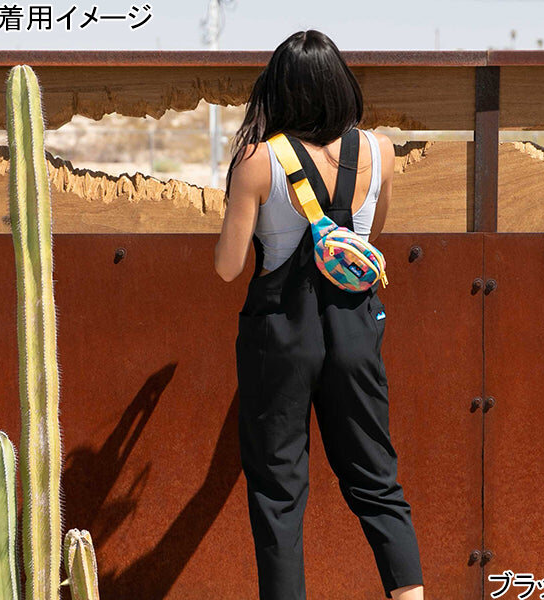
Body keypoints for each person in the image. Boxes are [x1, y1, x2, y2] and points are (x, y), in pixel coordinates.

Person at [214, 29, 424, 600]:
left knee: (278, 494)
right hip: (356, 328)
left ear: (279, 90)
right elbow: (368, 241)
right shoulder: (380, 151)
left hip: (281, 337)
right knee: (377, 482)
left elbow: (229, 268)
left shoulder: (259, 160)